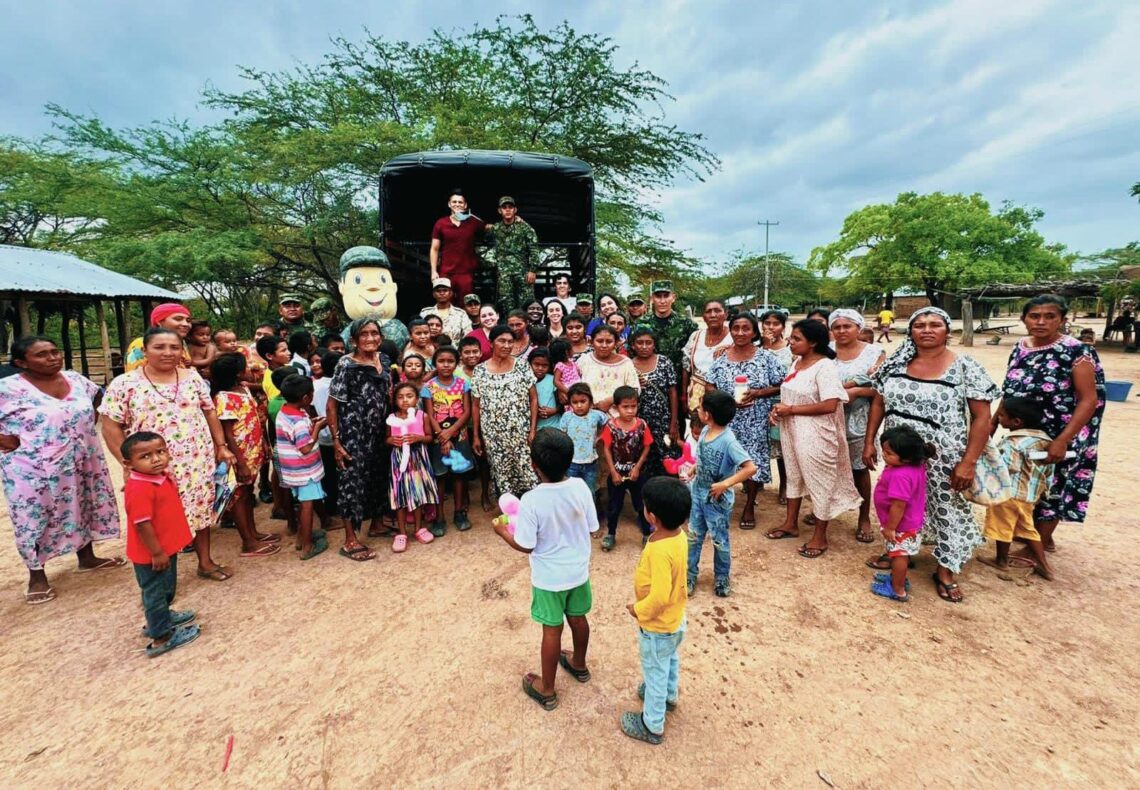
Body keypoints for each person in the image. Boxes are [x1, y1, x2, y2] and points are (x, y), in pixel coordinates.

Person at [863, 307, 998, 603]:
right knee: (898, 501)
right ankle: (899, 552)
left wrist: (968, 462)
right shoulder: (896, 363)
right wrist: (870, 441)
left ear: (947, 330)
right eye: (919, 325)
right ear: (910, 331)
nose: (926, 329)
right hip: (898, 452)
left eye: (935, 324)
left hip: (944, 454)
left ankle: (946, 570)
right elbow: (878, 403)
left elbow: (981, 418)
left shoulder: (965, 366)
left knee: (946, 507)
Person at [101, 328, 237, 581]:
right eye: (159, 347)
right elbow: (110, 424)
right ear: (145, 351)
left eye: (174, 347)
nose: (168, 353)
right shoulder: (125, 384)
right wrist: (127, 462)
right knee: (158, 517)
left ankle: (205, 562)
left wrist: (220, 445)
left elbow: (209, 412)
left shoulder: (193, 378)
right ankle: (162, 579)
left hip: (196, 459)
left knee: (201, 509)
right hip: (152, 466)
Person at [0, 336, 123, 605]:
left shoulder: (75, 380)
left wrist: (90, 421)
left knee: (83, 503)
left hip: (82, 458)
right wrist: (2, 439)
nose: (53, 358)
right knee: (33, 515)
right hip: (32, 467)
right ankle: (37, 574)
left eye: (55, 352)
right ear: (21, 362)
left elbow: (98, 398)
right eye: (42, 355)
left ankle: (87, 557)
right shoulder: (7, 388)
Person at [492, 429, 598, 711]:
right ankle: (579, 664)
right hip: (577, 572)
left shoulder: (532, 500)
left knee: (552, 631)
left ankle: (547, 689)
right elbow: (593, 527)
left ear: (534, 465)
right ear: (570, 460)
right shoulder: (580, 488)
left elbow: (526, 545)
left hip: (549, 579)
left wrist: (503, 532)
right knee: (578, 619)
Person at [999, 295, 1104, 555]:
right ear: (1024, 319)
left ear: (1062, 320)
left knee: (1054, 485)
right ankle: (1034, 534)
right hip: (1028, 432)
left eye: (1049, 317)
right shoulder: (1020, 347)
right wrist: (993, 422)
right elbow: (1009, 390)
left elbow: (1088, 399)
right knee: (1027, 481)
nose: (1041, 322)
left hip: (1065, 430)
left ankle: (1039, 546)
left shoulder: (1077, 351)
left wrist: (1063, 439)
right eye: (1034, 316)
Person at [768, 320, 863, 558]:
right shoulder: (797, 363)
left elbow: (831, 404)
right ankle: (790, 523)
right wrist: (779, 411)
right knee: (794, 474)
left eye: (797, 338)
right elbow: (789, 395)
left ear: (813, 343)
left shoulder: (825, 367)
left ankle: (820, 536)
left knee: (820, 481)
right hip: (792, 429)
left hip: (816, 433)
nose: (791, 341)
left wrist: (791, 410)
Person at [621, 476, 692, 745]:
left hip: (657, 626)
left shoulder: (660, 550)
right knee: (669, 660)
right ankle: (669, 696)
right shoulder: (679, 536)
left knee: (655, 671)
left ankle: (652, 725)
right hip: (674, 620)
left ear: (652, 516)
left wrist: (639, 610)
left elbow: (660, 595)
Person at [120, 431, 201, 657]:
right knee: (155, 591)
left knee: (165, 587)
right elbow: (142, 523)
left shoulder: (158, 477)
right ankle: (161, 636)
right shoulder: (140, 487)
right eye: (146, 456)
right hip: (153, 553)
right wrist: (156, 552)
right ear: (129, 463)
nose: (156, 459)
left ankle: (161, 617)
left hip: (165, 547)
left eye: (161, 452)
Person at [706, 313, 784, 529]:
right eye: (736, 328)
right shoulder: (721, 359)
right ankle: (718, 502)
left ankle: (749, 505)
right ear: (730, 330)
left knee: (753, 461)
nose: (740, 332)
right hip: (726, 420)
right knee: (722, 460)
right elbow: (709, 385)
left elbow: (781, 384)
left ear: (754, 332)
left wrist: (758, 393)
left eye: (745, 328)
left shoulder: (766, 358)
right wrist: (725, 401)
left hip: (755, 419)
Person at [327, 318, 393, 561]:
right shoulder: (346, 365)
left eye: (374, 333)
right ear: (353, 340)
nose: (370, 338)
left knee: (378, 476)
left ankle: (377, 524)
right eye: (363, 334)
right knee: (351, 484)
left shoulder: (383, 360)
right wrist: (336, 441)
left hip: (379, 432)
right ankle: (350, 540)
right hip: (353, 434)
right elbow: (332, 404)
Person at [687, 390, 757, 598]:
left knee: (720, 541)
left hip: (717, 501)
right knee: (693, 537)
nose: (697, 410)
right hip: (698, 494)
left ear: (707, 414)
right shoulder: (705, 432)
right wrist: (694, 468)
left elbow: (750, 468)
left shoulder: (728, 441)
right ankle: (689, 576)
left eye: (700, 407)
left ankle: (722, 577)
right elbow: (702, 458)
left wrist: (725, 484)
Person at [211, 353, 281, 557]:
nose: (252, 369)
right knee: (240, 497)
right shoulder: (224, 398)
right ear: (238, 372)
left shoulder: (242, 390)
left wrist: (264, 444)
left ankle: (253, 533)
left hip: (252, 454)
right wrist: (240, 463)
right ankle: (248, 542)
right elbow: (228, 434)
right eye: (247, 367)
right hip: (239, 456)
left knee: (248, 494)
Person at [978, 397, 1056, 580]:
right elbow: (1049, 470)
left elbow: (1007, 467)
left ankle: (1001, 560)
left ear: (1016, 422)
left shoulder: (1013, 442)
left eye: (1002, 415)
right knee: (1028, 528)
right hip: (1028, 494)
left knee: (1002, 525)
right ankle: (1044, 565)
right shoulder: (1045, 441)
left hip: (1008, 493)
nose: (999, 418)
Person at [829, 309, 885, 543]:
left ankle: (863, 517)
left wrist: (856, 391)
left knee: (859, 469)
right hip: (828, 419)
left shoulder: (874, 353)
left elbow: (882, 388)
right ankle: (824, 509)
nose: (842, 331)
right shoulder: (825, 351)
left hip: (859, 420)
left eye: (847, 326)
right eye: (837, 327)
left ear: (858, 329)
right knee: (827, 467)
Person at [471, 325, 539, 499]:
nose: (506, 345)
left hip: (521, 433)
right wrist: (477, 436)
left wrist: (532, 430)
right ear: (491, 343)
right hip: (493, 436)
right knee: (502, 473)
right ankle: (510, 512)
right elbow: (476, 405)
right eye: (501, 341)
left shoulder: (522, 366)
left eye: (510, 341)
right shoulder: (479, 370)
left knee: (527, 472)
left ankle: (531, 511)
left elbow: (533, 399)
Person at [867, 425, 932, 603]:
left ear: (906, 457)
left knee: (898, 555)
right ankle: (898, 579)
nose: (884, 456)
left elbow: (898, 505)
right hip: (909, 522)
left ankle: (898, 589)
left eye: (888, 453)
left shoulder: (900, 475)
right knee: (900, 553)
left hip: (900, 526)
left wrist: (890, 528)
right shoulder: (915, 466)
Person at [275, 375, 329, 560]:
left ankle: (301, 538)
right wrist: (318, 428)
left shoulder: (287, 411)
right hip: (305, 471)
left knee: (303, 504)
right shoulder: (298, 421)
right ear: (306, 398)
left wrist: (312, 423)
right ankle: (307, 545)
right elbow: (305, 447)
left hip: (292, 470)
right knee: (307, 506)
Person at [421, 346, 474, 534]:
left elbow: (467, 411)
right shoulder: (429, 387)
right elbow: (429, 414)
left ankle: (459, 512)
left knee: (459, 475)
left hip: (459, 436)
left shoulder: (462, 384)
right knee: (440, 476)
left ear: (456, 363)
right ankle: (439, 516)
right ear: (435, 363)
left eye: (450, 361)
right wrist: (443, 438)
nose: (446, 365)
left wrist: (451, 431)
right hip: (438, 439)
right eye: (441, 361)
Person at [387, 382, 439, 552]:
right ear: (395, 400)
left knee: (418, 493)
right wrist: (391, 441)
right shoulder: (391, 418)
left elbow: (430, 437)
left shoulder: (421, 416)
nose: (405, 400)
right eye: (400, 397)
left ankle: (418, 528)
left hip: (418, 460)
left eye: (409, 396)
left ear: (416, 399)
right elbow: (386, 438)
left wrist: (418, 438)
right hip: (399, 461)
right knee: (400, 495)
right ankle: (402, 533)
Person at [599, 386, 653, 551]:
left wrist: (637, 467)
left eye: (633, 406)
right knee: (614, 505)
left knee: (641, 504)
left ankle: (646, 533)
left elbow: (647, 446)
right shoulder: (610, 426)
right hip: (617, 474)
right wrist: (613, 472)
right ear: (616, 407)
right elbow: (606, 448)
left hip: (637, 474)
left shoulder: (642, 425)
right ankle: (611, 533)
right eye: (625, 407)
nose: (630, 410)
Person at [337, 245, 409, 351]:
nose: (373, 287)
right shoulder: (350, 331)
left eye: (383, 279)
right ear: (342, 288)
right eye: (357, 280)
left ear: (394, 287)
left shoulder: (399, 328)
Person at [629, 328, 679, 476]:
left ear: (654, 345)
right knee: (642, 458)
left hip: (662, 420)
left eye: (648, 343)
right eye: (640, 343)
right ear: (633, 345)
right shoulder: (628, 365)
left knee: (667, 456)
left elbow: (672, 392)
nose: (644, 346)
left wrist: (673, 422)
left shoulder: (664, 362)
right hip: (639, 421)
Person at [631, 281, 698, 387]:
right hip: (649, 382)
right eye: (658, 296)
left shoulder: (686, 324)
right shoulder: (641, 323)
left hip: (679, 382)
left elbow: (693, 353)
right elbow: (633, 353)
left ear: (673, 297)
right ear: (652, 298)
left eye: (666, 296)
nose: (662, 301)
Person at [759, 309, 793, 504]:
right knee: (758, 442)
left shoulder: (790, 349)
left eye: (775, 324)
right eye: (767, 323)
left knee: (781, 447)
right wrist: (765, 346)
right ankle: (756, 481)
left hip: (780, 402)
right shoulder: (756, 346)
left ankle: (784, 485)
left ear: (783, 327)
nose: (770, 327)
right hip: (759, 402)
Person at [485, 196, 539, 312]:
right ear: (500, 211)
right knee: (506, 303)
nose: (508, 210)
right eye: (504, 207)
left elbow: (534, 249)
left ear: (515, 210)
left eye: (510, 207)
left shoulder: (525, 228)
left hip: (523, 273)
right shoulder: (496, 228)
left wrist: (533, 270)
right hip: (504, 274)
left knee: (526, 303)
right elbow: (479, 228)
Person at [430, 189, 485, 298]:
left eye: (460, 202)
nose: (457, 204)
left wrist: (515, 219)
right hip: (446, 272)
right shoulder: (441, 223)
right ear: (449, 204)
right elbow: (434, 249)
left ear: (465, 205)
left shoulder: (472, 222)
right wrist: (434, 271)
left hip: (466, 272)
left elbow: (488, 227)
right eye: (454, 202)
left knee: (465, 302)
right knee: (445, 301)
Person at [681, 299, 732, 417]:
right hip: (697, 396)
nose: (713, 315)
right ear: (703, 316)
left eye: (717, 311)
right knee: (699, 432)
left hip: (724, 395)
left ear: (726, 314)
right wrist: (683, 396)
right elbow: (686, 367)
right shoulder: (696, 336)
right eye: (709, 311)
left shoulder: (734, 337)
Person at [559, 382, 608, 499]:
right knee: (572, 493)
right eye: (575, 402)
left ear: (590, 402)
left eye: (583, 401)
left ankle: (590, 516)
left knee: (590, 492)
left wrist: (600, 436)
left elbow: (608, 424)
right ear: (570, 403)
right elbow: (562, 435)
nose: (579, 405)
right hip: (572, 463)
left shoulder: (596, 415)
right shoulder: (567, 416)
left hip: (591, 463)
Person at [577, 325, 640, 415]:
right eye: (599, 341)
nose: (604, 345)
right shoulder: (584, 360)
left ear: (616, 343)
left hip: (618, 418)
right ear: (591, 342)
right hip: (587, 417)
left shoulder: (625, 363)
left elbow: (634, 390)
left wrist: (610, 400)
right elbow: (573, 384)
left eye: (609, 341)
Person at [314, 349, 343, 525]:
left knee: (328, 474)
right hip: (337, 435)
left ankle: (331, 508)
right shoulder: (336, 385)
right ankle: (336, 508)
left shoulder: (315, 385)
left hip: (322, 436)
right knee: (337, 473)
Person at [124, 303, 193, 372]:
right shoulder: (141, 343)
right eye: (178, 319)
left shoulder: (182, 343)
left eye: (188, 321)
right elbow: (135, 377)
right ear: (159, 322)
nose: (186, 324)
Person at [420, 278, 472, 347]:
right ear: (433, 294)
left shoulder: (461, 314)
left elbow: (468, 336)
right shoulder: (425, 313)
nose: (442, 293)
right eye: (438, 291)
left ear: (451, 293)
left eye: (445, 290)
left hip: (455, 353)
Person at [531, 348, 560, 430]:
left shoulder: (553, 380)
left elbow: (562, 403)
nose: (540, 368)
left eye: (544, 365)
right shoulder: (526, 381)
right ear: (530, 364)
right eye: (536, 364)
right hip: (535, 428)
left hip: (554, 426)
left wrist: (554, 410)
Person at [256, 335, 292, 401]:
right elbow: (280, 405)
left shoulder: (286, 367)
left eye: (288, 349)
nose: (289, 353)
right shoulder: (272, 381)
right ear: (269, 356)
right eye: (283, 351)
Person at [551, 338, 581, 404]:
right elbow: (556, 381)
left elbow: (579, 374)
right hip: (568, 392)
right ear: (566, 352)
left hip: (578, 389)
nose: (573, 350)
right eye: (571, 349)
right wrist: (567, 391)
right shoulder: (560, 366)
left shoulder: (572, 362)